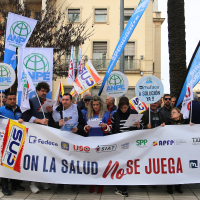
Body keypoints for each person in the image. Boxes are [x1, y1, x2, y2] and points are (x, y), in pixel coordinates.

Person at [50, 93, 85, 193]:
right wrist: (57, 124)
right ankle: (60, 185)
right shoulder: (55, 110)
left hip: (73, 139)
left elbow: (82, 123)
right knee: (60, 162)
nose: (64, 101)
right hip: (60, 140)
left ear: (71, 101)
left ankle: (74, 184)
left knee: (73, 162)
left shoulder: (76, 109)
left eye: (67, 100)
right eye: (63, 100)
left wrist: (78, 129)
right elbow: (50, 124)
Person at [23, 82, 53, 193]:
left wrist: (50, 112)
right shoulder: (31, 101)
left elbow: (50, 119)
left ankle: (42, 180)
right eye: (42, 91)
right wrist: (39, 120)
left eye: (46, 91)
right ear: (37, 91)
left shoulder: (48, 102)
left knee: (44, 158)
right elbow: (25, 116)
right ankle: (32, 183)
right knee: (34, 159)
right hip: (34, 134)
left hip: (45, 134)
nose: (44, 93)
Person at [112, 96, 141, 197]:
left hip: (130, 143)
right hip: (119, 143)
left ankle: (124, 186)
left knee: (127, 164)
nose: (124, 110)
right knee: (120, 165)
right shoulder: (115, 114)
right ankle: (119, 187)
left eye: (125, 107)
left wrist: (138, 126)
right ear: (119, 107)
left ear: (128, 106)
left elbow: (140, 127)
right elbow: (112, 129)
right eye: (122, 108)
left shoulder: (133, 113)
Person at [83, 95, 111, 193]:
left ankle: (101, 184)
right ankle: (92, 183)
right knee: (92, 164)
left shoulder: (106, 114)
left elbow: (109, 130)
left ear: (101, 105)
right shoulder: (88, 114)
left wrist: (104, 126)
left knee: (101, 164)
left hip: (102, 142)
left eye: (97, 105)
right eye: (94, 105)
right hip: (90, 142)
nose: (95, 106)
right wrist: (87, 128)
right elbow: (84, 130)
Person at [0, 92, 25, 195]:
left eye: (14, 99)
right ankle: (5, 186)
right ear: (6, 100)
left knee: (16, 162)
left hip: (18, 140)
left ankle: (15, 184)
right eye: (10, 99)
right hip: (4, 140)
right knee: (5, 163)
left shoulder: (20, 110)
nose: (12, 101)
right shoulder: (1, 110)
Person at [165, 107, 194, 194]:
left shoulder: (185, 122)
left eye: (174, 112)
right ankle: (169, 187)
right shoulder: (168, 123)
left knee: (180, 167)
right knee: (171, 168)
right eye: (171, 113)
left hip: (181, 149)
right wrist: (162, 127)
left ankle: (178, 186)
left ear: (179, 113)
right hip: (171, 149)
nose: (172, 114)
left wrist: (192, 126)